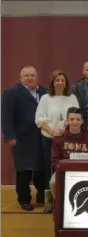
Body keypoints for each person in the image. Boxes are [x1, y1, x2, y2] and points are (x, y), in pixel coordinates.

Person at [1, 66, 47, 211]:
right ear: (20, 78)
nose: (30, 78)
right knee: (23, 171)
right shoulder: (11, 93)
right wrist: (9, 135)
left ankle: (42, 196)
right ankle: (24, 199)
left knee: (42, 169)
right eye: (26, 75)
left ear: (37, 76)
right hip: (21, 138)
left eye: (32, 75)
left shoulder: (45, 92)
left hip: (42, 137)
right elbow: (6, 116)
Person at [35, 70, 79, 213]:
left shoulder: (72, 97)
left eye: (62, 80)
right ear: (53, 83)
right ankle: (49, 201)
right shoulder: (45, 98)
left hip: (65, 138)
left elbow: (75, 116)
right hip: (48, 137)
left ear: (66, 83)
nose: (60, 82)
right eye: (57, 80)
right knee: (49, 167)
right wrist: (52, 132)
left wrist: (64, 129)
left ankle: (65, 198)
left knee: (65, 166)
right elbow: (39, 120)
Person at [49, 107, 88, 202]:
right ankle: (60, 204)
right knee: (53, 182)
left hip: (84, 170)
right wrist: (63, 169)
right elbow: (54, 160)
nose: (75, 122)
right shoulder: (59, 137)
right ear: (67, 121)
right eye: (72, 119)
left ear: (82, 121)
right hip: (63, 170)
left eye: (78, 119)